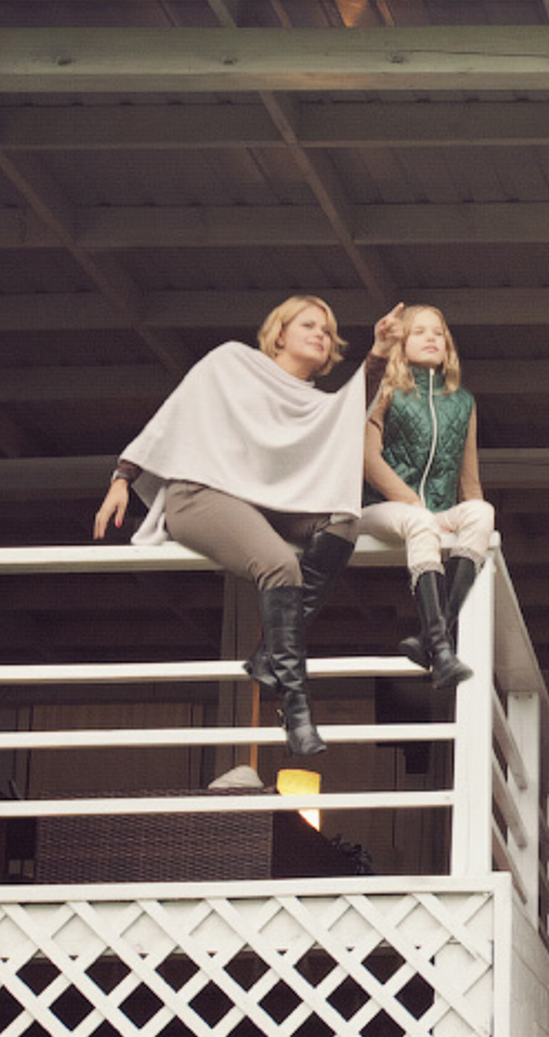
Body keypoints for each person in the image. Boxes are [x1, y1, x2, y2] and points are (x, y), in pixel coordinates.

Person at [93, 295, 398, 756]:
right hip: (201, 495)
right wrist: (123, 477)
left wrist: (378, 352)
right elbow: (172, 416)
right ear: (278, 333)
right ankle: (296, 712)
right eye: (309, 324)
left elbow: (351, 407)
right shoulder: (231, 362)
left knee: (343, 521)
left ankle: (267, 658)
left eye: (328, 331)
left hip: (266, 502)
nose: (322, 334)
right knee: (280, 565)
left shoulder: (316, 405)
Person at [359, 303, 494, 692]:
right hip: (379, 509)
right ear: (401, 343)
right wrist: (412, 503)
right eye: (419, 331)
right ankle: (442, 644)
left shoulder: (463, 402)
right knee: (419, 522)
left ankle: (431, 638)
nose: (432, 337)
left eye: (438, 332)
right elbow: (368, 459)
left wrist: (474, 520)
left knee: (482, 512)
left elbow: (469, 480)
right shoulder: (386, 389)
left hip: (433, 515)